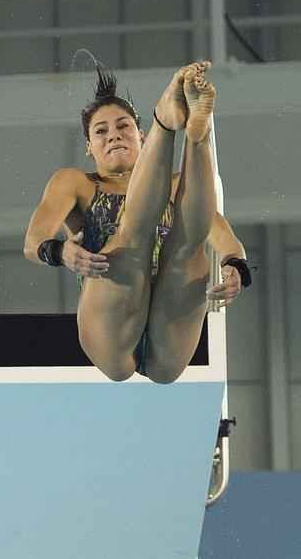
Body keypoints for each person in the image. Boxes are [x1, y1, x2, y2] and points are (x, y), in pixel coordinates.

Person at [23, 62, 250, 383]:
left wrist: (236, 267)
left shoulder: (179, 187)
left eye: (123, 127)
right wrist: (60, 253)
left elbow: (222, 236)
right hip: (110, 324)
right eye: (101, 131)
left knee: (190, 248)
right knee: (131, 238)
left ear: (141, 137)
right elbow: (32, 243)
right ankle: (167, 123)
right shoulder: (75, 183)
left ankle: (197, 137)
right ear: (89, 147)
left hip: (168, 325)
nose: (114, 135)